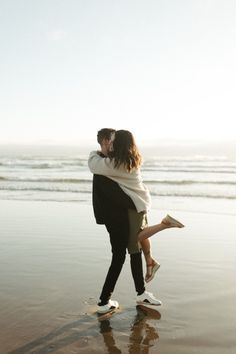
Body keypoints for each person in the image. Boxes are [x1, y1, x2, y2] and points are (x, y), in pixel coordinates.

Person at [90, 128, 163, 314]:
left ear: (117, 144)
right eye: (107, 142)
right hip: (134, 207)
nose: (110, 145)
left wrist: (95, 152)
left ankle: (106, 301)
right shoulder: (127, 160)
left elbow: (93, 164)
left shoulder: (115, 164)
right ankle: (139, 292)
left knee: (127, 252)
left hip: (132, 209)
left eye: (112, 141)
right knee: (132, 250)